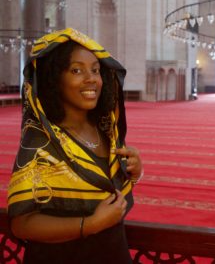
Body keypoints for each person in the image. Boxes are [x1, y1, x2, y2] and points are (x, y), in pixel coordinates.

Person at [7, 28, 143, 264]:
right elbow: (22, 224)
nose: (91, 79)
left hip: (112, 252)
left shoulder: (106, 131)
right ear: (54, 79)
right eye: (76, 70)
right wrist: (90, 224)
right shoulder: (41, 143)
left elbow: (108, 190)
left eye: (95, 70)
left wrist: (135, 173)